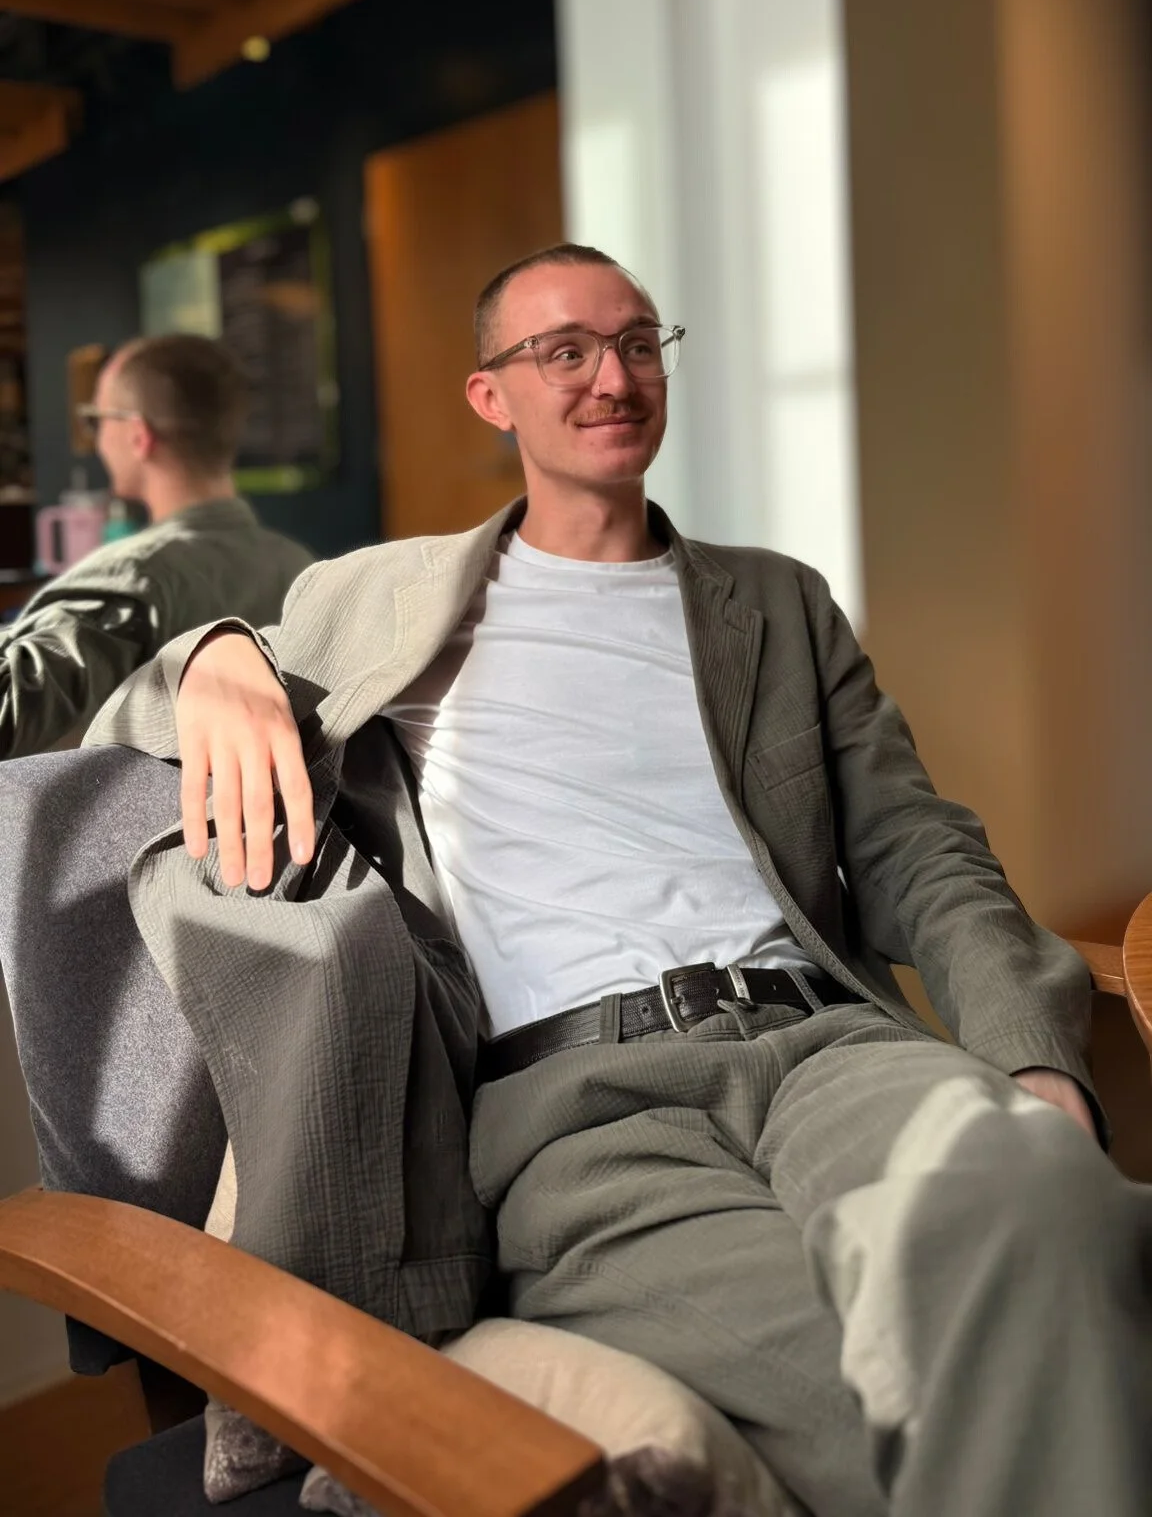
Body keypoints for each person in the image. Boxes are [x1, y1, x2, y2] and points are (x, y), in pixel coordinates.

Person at [90, 247, 1151, 1517]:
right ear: (494, 396)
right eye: (565, 350)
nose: (612, 376)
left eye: (639, 342)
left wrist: (1033, 1056)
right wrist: (210, 654)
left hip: (828, 1048)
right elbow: (126, 725)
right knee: (906, 1390)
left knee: (1046, 1210)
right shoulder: (380, 595)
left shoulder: (777, 602)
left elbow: (918, 842)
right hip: (580, 1117)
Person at [0, 333, 312, 756]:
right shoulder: (298, 566)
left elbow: (10, 712)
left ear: (137, 435)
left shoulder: (136, 576)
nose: (97, 439)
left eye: (97, 420)